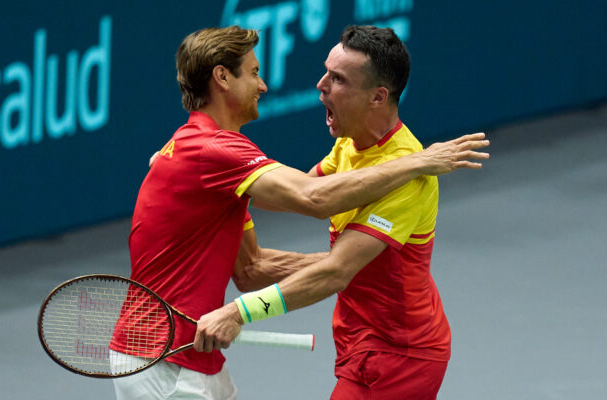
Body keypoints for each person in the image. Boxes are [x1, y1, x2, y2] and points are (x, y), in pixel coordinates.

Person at [114, 26, 489, 400]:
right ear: (222, 78)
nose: (320, 85)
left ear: (378, 96)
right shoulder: (216, 151)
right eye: (256, 73)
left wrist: (243, 310)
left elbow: (268, 264)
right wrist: (419, 161)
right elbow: (311, 198)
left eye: (338, 78)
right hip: (167, 355)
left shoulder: (200, 150)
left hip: (400, 352)